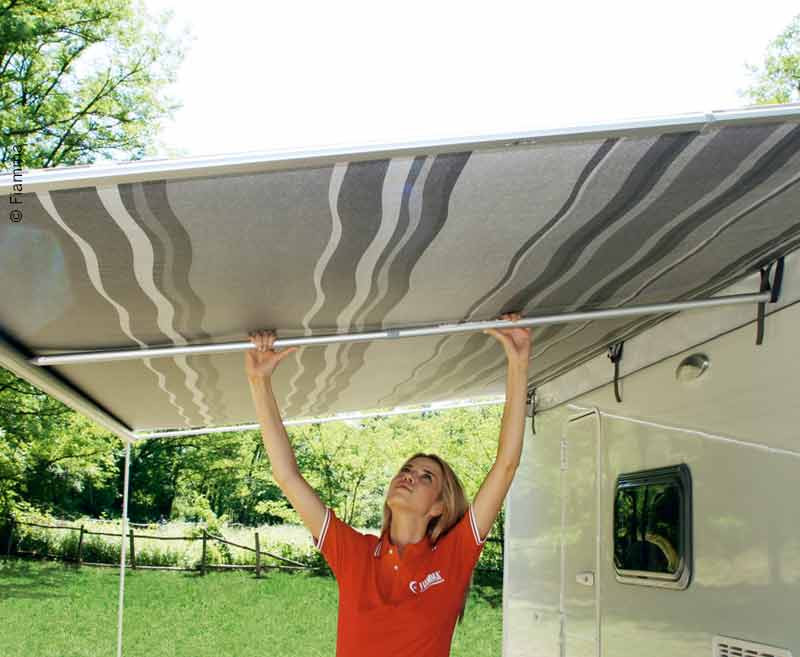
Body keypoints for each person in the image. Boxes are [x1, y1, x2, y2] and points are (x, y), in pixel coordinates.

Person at [244, 313, 531, 657]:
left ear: (439, 507)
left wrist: (518, 362)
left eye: (426, 477)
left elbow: (506, 465)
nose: (409, 475)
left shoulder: (452, 558)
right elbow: (287, 476)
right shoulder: (356, 554)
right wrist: (259, 381)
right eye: (407, 469)